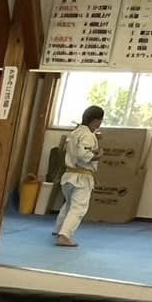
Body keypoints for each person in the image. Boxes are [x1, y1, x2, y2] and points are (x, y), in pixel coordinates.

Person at [53, 105, 103, 248]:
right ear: (96, 120)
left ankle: (58, 229)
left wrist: (95, 140)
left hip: (68, 176)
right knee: (78, 208)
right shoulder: (87, 135)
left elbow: (80, 149)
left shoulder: (76, 132)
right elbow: (83, 155)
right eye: (100, 120)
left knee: (69, 205)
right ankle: (64, 236)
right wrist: (99, 155)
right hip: (81, 178)